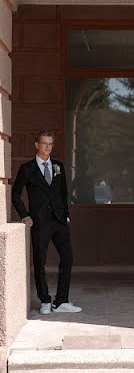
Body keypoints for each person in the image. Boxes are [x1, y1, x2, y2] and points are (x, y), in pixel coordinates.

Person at [12, 131, 82, 315]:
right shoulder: (27, 169)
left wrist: (65, 215)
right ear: (36, 145)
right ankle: (44, 301)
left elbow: (63, 192)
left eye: (50, 144)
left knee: (67, 257)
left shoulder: (58, 166)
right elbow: (15, 195)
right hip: (40, 222)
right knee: (39, 260)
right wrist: (25, 215)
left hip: (59, 221)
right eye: (44, 144)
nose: (48, 147)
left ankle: (61, 302)